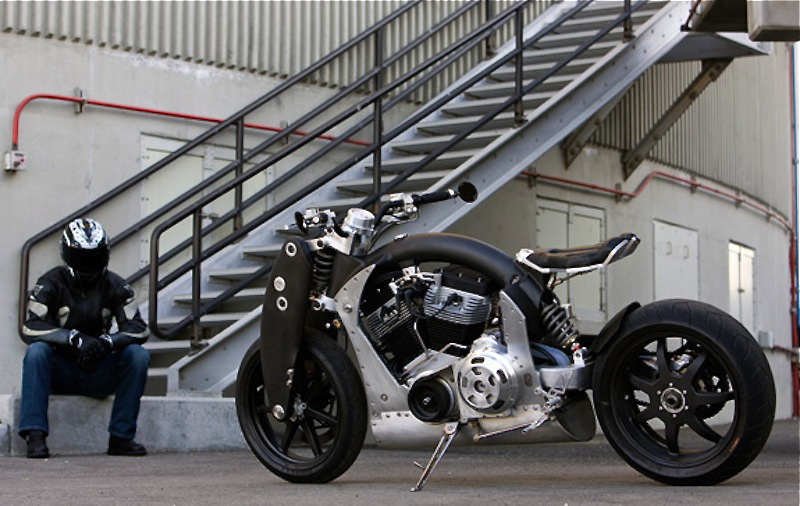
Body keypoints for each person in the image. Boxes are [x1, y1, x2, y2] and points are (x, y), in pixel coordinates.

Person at [18, 218, 150, 458]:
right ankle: (35, 435)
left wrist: (107, 342)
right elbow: (31, 327)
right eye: (81, 257)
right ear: (66, 254)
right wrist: (73, 338)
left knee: (138, 356)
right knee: (36, 352)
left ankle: (121, 437)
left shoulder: (115, 285)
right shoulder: (50, 282)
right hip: (62, 370)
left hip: (98, 369)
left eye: (94, 257)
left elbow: (138, 328)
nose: (88, 264)